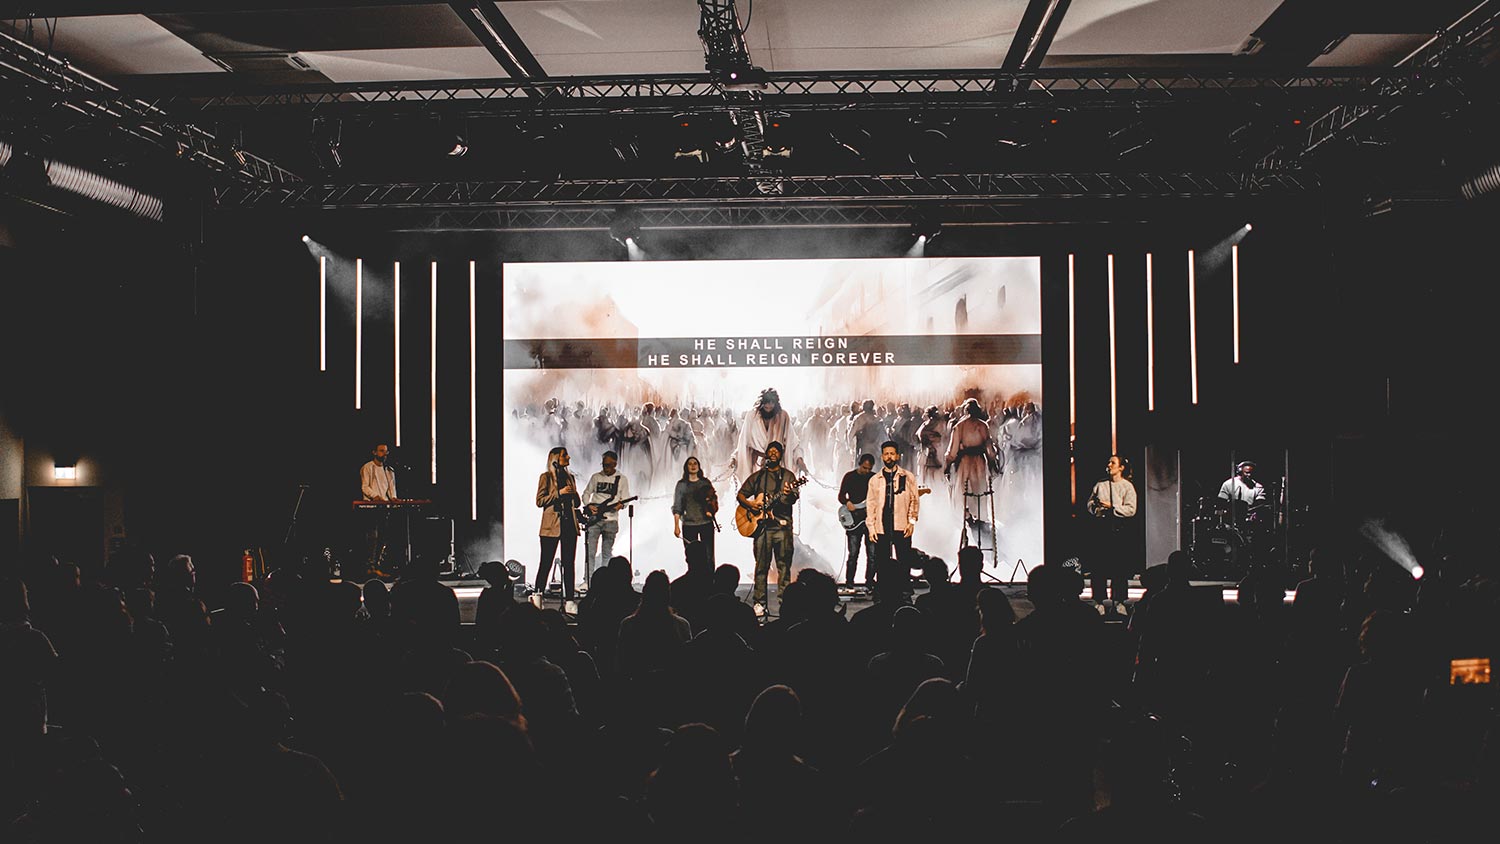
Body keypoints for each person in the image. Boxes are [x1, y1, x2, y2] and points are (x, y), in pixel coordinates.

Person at [735, 440, 801, 617]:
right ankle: (759, 603)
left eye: (776, 451)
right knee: (761, 568)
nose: (773, 453)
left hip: (782, 528)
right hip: (762, 529)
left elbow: (793, 498)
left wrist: (788, 494)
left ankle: (785, 604)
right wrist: (751, 505)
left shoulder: (788, 477)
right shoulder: (758, 477)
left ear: (780, 455)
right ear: (766, 455)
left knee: (783, 567)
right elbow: (741, 495)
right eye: (770, 451)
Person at [867, 440, 922, 602]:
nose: (889, 457)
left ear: (897, 456)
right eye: (886, 454)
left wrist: (911, 521)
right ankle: (882, 593)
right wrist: (871, 527)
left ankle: (904, 593)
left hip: (901, 525)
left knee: (904, 560)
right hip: (881, 527)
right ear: (882, 456)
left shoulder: (908, 477)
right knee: (881, 562)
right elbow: (871, 505)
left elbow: (914, 500)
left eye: (892, 454)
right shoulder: (875, 480)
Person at [1086, 454, 1138, 614]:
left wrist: (1113, 507)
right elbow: (1089, 504)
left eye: (1113, 463)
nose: (1109, 465)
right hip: (1101, 529)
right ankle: (1099, 601)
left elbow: (1131, 509)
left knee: (1119, 566)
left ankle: (1119, 601)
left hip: (1119, 529)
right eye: (1109, 462)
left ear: (1121, 467)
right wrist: (1096, 509)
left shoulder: (1127, 486)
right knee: (1098, 567)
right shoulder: (1100, 485)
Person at [535, 447, 581, 601]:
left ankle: (569, 599)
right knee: (546, 563)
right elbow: (539, 501)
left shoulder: (570, 477)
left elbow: (577, 503)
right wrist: (559, 493)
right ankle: (538, 596)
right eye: (564, 455)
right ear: (555, 458)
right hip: (551, 527)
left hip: (569, 524)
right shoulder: (546, 477)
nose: (568, 457)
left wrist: (574, 493)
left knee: (569, 564)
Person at [581, 451, 631, 588]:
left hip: (611, 520)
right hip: (594, 519)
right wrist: (588, 505)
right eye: (603, 464)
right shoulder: (596, 477)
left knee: (607, 553)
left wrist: (621, 505)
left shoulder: (622, 479)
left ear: (615, 464)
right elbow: (586, 494)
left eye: (608, 465)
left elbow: (626, 499)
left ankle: (606, 583)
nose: (605, 467)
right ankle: (588, 581)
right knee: (590, 552)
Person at [672, 456, 718, 577]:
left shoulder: (705, 482)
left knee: (708, 556)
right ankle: (694, 582)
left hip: (706, 523)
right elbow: (677, 506)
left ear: (698, 466)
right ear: (686, 467)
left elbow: (713, 500)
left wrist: (711, 511)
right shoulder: (682, 485)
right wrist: (676, 526)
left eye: (695, 463)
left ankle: (710, 581)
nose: (693, 466)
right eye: (690, 464)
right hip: (689, 524)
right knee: (692, 556)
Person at [838, 453, 878, 589]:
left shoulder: (874, 478)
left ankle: (869, 582)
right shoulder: (849, 477)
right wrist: (847, 502)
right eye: (864, 468)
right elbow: (841, 495)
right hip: (854, 519)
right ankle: (849, 582)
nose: (866, 471)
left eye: (869, 469)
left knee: (872, 555)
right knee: (853, 554)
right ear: (859, 464)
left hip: (870, 521)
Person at [360, 443, 398, 573]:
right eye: (381, 451)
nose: (384, 454)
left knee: (384, 536)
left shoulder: (389, 470)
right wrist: (375, 496)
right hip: (371, 507)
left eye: (386, 451)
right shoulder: (367, 467)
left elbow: (392, 488)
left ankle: (379, 565)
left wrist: (393, 498)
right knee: (372, 536)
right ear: (374, 452)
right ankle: (369, 566)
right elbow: (365, 487)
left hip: (384, 507)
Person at [1218, 460, 1267, 528]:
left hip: (1249, 521)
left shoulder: (1258, 487)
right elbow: (1221, 502)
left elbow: (1260, 504)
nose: (1249, 475)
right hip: (1229, 521)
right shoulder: (1228, 484)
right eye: (1247, 473)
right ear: (1240, 472)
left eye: (1251, 473)